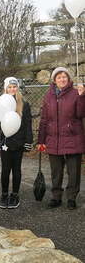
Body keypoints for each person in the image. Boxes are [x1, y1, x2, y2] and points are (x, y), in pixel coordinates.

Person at [38, 67, 85, 210]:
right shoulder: (48, 96)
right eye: (59, 77)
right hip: (54, 140)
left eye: (65, 76)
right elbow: (44, 119)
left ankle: (71, 198)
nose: (62, 79)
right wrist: (41, 140)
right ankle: (56, 196)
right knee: (56, 171)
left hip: (73, 138)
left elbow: (81, 114)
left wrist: (82, 96)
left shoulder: (76, 93)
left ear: (69, 79)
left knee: (73, 171)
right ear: (54, 80)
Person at [0, 77, 33, 209]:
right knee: (5, 169)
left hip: (19, 142)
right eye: (9, 87)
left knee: (16, 169)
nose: (12, 89)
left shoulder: (24, 104)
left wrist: (29, 140)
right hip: (5, 142)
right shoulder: (1, 104)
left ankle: (15, 195)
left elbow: (28, 124)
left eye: (14, 87)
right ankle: (4, 194)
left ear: (17, 88)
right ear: (5, 88)